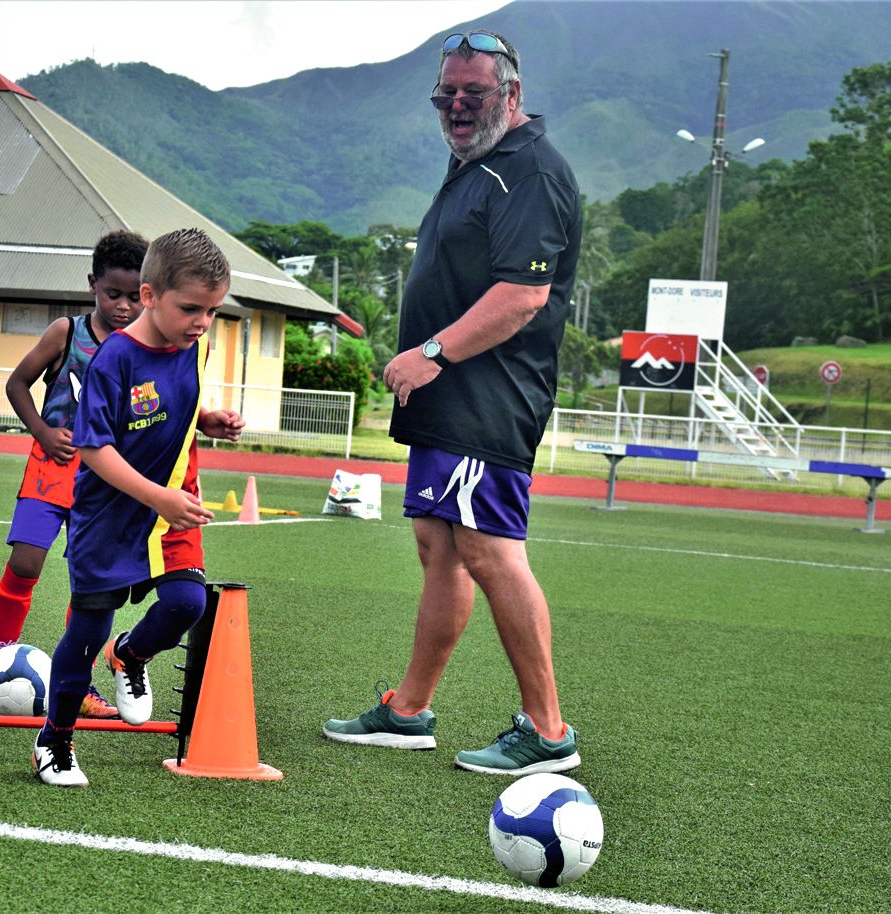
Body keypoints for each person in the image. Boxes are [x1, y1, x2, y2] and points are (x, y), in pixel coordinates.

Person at [322, 30, 584, 776]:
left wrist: (432, 353)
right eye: (446, 96)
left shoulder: (527, 170)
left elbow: (523, 294)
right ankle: (407, 711)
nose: (458, 108)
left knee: (488, 549)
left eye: (473, 94)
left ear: (512, 94)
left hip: (484, 399)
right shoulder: (476, 162)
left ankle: (547, 729)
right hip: (452, 400)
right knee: (440, 545)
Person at [31, 227, 245, 787]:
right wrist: (157, 497)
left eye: (213, 311)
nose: (202, 322)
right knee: (85, 632)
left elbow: (173, 405)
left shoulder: (192, 346)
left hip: (169, 511)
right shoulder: (113, 359)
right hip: (111, 516)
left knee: (186, 603)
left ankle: (131, 655)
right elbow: (94, 447)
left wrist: (209, 419)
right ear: (150, 296)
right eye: (191, 308)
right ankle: (55, 738)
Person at [0, 229, 149, 718]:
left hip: (105, 483)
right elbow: (17, 382)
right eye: (114, 294)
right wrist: (43, 431)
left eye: (135, 296)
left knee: (89, 587)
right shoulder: (66, 333)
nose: (125, 306)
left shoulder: (144, 348)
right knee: (26, 562)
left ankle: (78, 683)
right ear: (93, 284)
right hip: (52, 467)